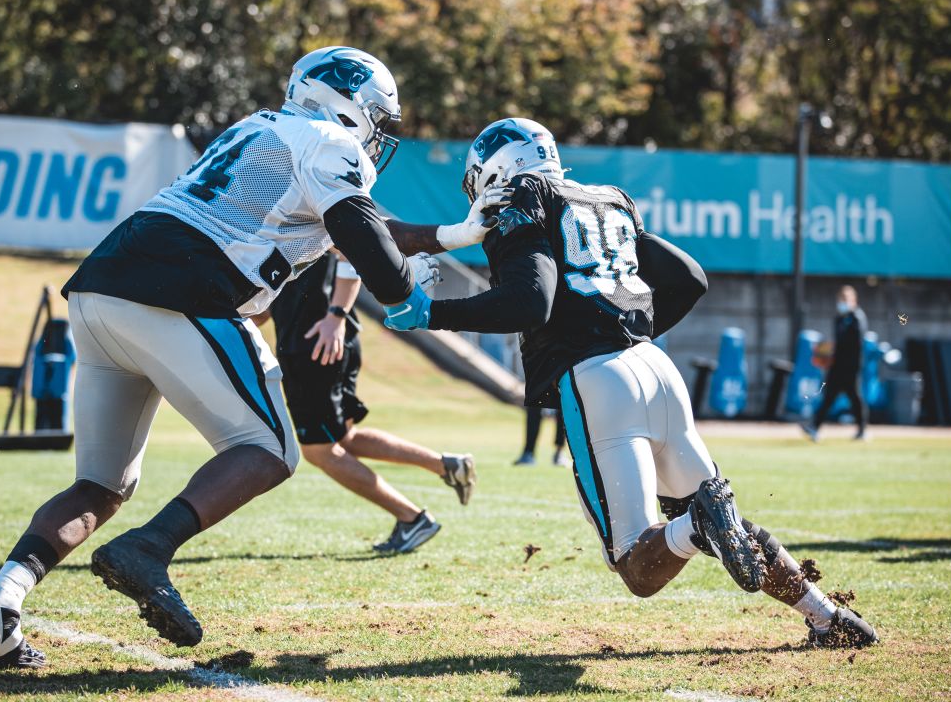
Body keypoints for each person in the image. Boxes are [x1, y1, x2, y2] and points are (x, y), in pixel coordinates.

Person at [0, 46, 501, 668]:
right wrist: (407, 297)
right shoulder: (330, 141)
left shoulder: (260, 128)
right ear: (351, 105)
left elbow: (366, 223)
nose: (378, 132)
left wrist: (455, 235)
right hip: (182, 292)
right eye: (377, 115)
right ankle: (150, 548)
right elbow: (360, 233)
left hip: (102, 288)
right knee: (270, 448)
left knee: (102, 484)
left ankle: (1, 602)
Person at [384, 118, 878, 649]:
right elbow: (689, 278)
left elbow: (531, 300)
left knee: (638, 564)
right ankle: (826, 615)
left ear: (498, 171)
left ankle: (696, 526)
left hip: (601, 382)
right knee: (723, 520)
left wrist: (431, 314)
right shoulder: (606, 197)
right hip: (654, 368)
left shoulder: (520, 201)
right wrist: (622, 328)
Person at [267, 250, 476, 553]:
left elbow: (349, 254)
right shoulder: (280, 214)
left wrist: (335, 316)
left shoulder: (298, 205)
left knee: (319, 450)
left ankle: (413, 518)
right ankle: (447, 465)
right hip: (326, 338)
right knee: (344, 438)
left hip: (315, 343)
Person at [802, 285, 869, 442]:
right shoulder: (839, 318)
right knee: (828, 397)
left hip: (851, 367)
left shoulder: (857, 319)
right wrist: (826, 353)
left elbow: (855, 343)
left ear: (854, 301)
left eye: (846, 300)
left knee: (855, 398)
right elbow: (838, 344)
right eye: (841, 300)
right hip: (837, 366)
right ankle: (814, 427)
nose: (843, 303)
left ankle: (862, 430)